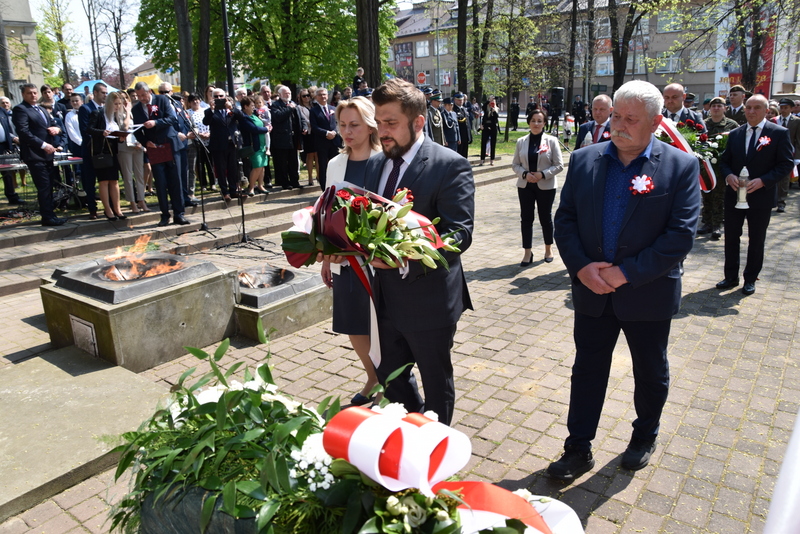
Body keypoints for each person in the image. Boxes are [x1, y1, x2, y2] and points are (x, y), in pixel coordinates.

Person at [548, 80, 701, 481]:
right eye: (616, 115)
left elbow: (680, 236)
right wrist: (582, 268)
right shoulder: (585, 160)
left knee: (650, 371)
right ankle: (577, 448)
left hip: (647, 294)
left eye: (631, 119)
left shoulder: (681, 166)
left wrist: (624, 273)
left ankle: (644, 435)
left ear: (655, 122)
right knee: (587, 370)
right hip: (593, 291)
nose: (619, 125)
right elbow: (564, 222)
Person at [360, 78, 475, 425]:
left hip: (429, 298)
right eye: (379, 122)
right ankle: (413, 429)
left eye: (391, 123)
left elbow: (459, 233)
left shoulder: (449, 165)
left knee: (436, 383)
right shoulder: (375, 164)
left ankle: (436, 448)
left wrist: (404, 254)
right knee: (389, 375)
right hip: (382, 297)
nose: (382, 131)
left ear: (418, 122)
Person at [320, 96, 382, 406]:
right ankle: (373, 375)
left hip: (379, 261)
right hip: (343, 261)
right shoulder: (335, 164)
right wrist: (324, 253)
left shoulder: (385, 161)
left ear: (371, 126)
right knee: (352, 323)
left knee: (382, 325)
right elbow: (326, 210)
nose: (347, 131)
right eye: (342, 125)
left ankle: (390, 380)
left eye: (354, 125)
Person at [716, 94, 794, 296]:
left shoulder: (778, 133)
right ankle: (730, 276)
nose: (751, 111)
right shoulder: (735, 134)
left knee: (756, 239)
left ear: (766, 110)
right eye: (748, 107)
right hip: (735, 195)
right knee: (731, 237)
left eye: (756, 108)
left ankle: (750, 278)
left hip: (761, 196)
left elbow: (785, 163)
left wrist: (764, 180)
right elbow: (724, 162)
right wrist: (729, 176)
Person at [132, 81, 189, 226]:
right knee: (161, 182)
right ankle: (164, 215)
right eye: (138, 96)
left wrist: (155, 123)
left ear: (149, 92)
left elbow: (172, 119)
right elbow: (137, 130)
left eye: (143, 95)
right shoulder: (137, 109)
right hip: (154, 147)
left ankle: (179, 213)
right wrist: (145, 142)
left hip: (170, 144)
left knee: (175, 180)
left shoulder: (162, 100)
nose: (141, 99)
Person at [512, 108, 564, 266]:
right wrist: (524, 174)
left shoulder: (552, 141)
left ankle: (548, 249)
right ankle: (527, 252)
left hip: (546, 186)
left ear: (544, 123)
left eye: (539, 121)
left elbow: (559, 165)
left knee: (545, 218)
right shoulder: (521, 141)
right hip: (525, 185)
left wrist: (543, 174)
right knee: (526, 219)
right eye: (533, 120)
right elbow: (515, 164)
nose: (536, 123)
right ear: (528, 122)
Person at [12, 83, 65, 226]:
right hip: (34, 154)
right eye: (29, 93)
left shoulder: (42, 108)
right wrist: (43, 145)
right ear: (23, 94)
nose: (33, 95)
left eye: (35, 93)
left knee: (49, 186)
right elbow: (23, 132)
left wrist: (57, 129)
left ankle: (51, 214)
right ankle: (47, 217)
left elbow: (56, 124)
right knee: (44, 186)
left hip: (48, 154)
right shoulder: (21, 109)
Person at [698, 97, 738, 240]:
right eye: (713, 106)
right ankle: (707, 223)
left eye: (719, 106)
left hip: (722, 167)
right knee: (706, 195)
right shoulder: (703, 124)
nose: (716, 108)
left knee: (719, 197)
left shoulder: (732, 125)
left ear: (725, 108)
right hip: (705, 166)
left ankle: (717, 225)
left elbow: (737, 145)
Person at [88, 91, 128, 220]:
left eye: (119, 104)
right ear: (110, 103)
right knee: (104, 181)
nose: (117, 107)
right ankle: (108, 209)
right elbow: (89, 129)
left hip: (112, 150)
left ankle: (117, 209)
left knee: (114, 181)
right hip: (101, 151)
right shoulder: (98, 113)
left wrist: (120, 138)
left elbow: (115, 133)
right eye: (115, 104)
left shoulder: (115, 116)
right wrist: (102, 132)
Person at [204, 88, 243, 201]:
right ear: (212, 98)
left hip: (232, 143)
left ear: (225, 96)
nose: (219, 99)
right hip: (218, 144)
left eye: (221, 96)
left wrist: (232, 108)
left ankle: (233, 190)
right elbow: (206, 122)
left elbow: (241, 117)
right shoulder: (209, 111)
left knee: (233, 168)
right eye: (216, 97)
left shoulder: (230, 109)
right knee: (221, 169)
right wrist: (211, 110)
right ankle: (224, 192)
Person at [114, 91, 146, 214]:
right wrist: (127, 112)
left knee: (140, 174)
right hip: (124, 147)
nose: (124, 101)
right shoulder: (117, 114)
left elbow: (140, 128)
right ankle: (132, 202)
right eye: (121, 99)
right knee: (128, 177)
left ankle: (141, 200)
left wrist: (141, 142)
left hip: (137, 146)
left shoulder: (136, 111)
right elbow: (125, 128)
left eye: (125, 98)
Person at [78, 83, 107, 218]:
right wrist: (101, 135)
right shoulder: (85, 108)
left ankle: (109, 207)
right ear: (95, 93)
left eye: (106, 93)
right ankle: (92, 208)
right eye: (103, 93)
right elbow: (85, 131)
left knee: (105, 179)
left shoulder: (106, 108)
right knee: (90, 181)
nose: (105, 95)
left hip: (105, 149)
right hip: (90, 149)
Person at [270, 85, 306, 190]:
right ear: (280, 95)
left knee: (293, 161)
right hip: (282, 138)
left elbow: (301, 119)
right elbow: (278, 117)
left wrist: (304, 127)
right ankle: (285, 182)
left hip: (294, 138)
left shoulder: (294, 105)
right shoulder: (276, 105)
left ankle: (295, 181)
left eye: (289, 93)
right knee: (283, 162)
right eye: (285, 93)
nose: (288, 95)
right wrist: (289, 108)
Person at [309, 87, 342, 190]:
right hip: (322, 142)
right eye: (320, 95)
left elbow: (339, 123)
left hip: (334, 142)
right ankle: (324, 189)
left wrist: (335, 132)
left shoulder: (333, 109)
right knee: (323, 166)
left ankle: (338, 187)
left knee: (337, 165)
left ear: (327, 96)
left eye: (324, 94)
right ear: (316, 97)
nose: (323, 97)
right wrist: (326, 133)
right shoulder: (313, 111)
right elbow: (314, 127)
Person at [238, 96, 271, 196]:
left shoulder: (255, 115)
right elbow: (254, 129)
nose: (254, 107)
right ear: (245, 106)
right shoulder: (244, 118)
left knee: (262, 166)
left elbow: (261, 124)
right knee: (257, 166)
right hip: (254, 145)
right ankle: (251, 187)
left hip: (262, 144)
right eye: (252, 105)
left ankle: (260, 185)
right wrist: (267, 129)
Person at [186, 93, 214, 194]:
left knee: (210, 162)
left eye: (197, 99)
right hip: (197, 142)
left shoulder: (205, 111)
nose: (195, 102)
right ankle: (203, 184)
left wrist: (209, 133)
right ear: (189, 103)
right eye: (193, 100)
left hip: (209, 140)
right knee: (200, 164)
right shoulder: (187, 113)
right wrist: (199, 134)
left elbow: (211, 122)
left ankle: (213, 183)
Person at [776, 98, 800, 211]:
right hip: (774, 153)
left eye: (786, 108)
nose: (783, 110)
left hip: (788, 153)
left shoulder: (796, 121)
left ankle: (781, 202)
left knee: (784, 179)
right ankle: (773, 199)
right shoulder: (774, 120)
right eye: (781, 107)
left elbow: (798, 140)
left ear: (791, 108)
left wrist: (797, 157)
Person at [0, 94, 23, 205]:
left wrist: (13, 138)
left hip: (4, 146)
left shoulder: (2, 111)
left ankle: (12, 196)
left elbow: (7, 129)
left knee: (7, 173)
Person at [298, 88, 318, 186]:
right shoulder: (299, 108)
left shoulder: (314, 105)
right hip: (308, 133)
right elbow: (304, 120)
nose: (306, 98)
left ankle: (319, 175)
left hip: (316, 133)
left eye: (308, 95)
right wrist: (314, 124)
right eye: (304, 96)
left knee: (317, 155)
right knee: (310, 155)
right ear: (300, 98)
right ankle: (310, 177)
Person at [479, 97, 499, 166]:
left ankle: (492, 159)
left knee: (493, 143)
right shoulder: (486, 108)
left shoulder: (495, 109)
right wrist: (489, 101)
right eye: (491, 102)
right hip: (486, 126)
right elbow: (483, 106)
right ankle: (482, 159)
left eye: (493, 102)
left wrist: (494, 111)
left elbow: (496, 117)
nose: (491, 103)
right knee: (484, 142)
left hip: (493, 127)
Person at [452, 93, 472, 159]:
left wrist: (470, 136)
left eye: (462, 100)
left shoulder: (464, 109)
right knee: (459, 154)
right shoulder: (453, 110)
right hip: (459, 136)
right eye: (459, 100)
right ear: (455, 100)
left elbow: (468, 124)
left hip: (466, 135)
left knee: (465, 154)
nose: (461, 101)